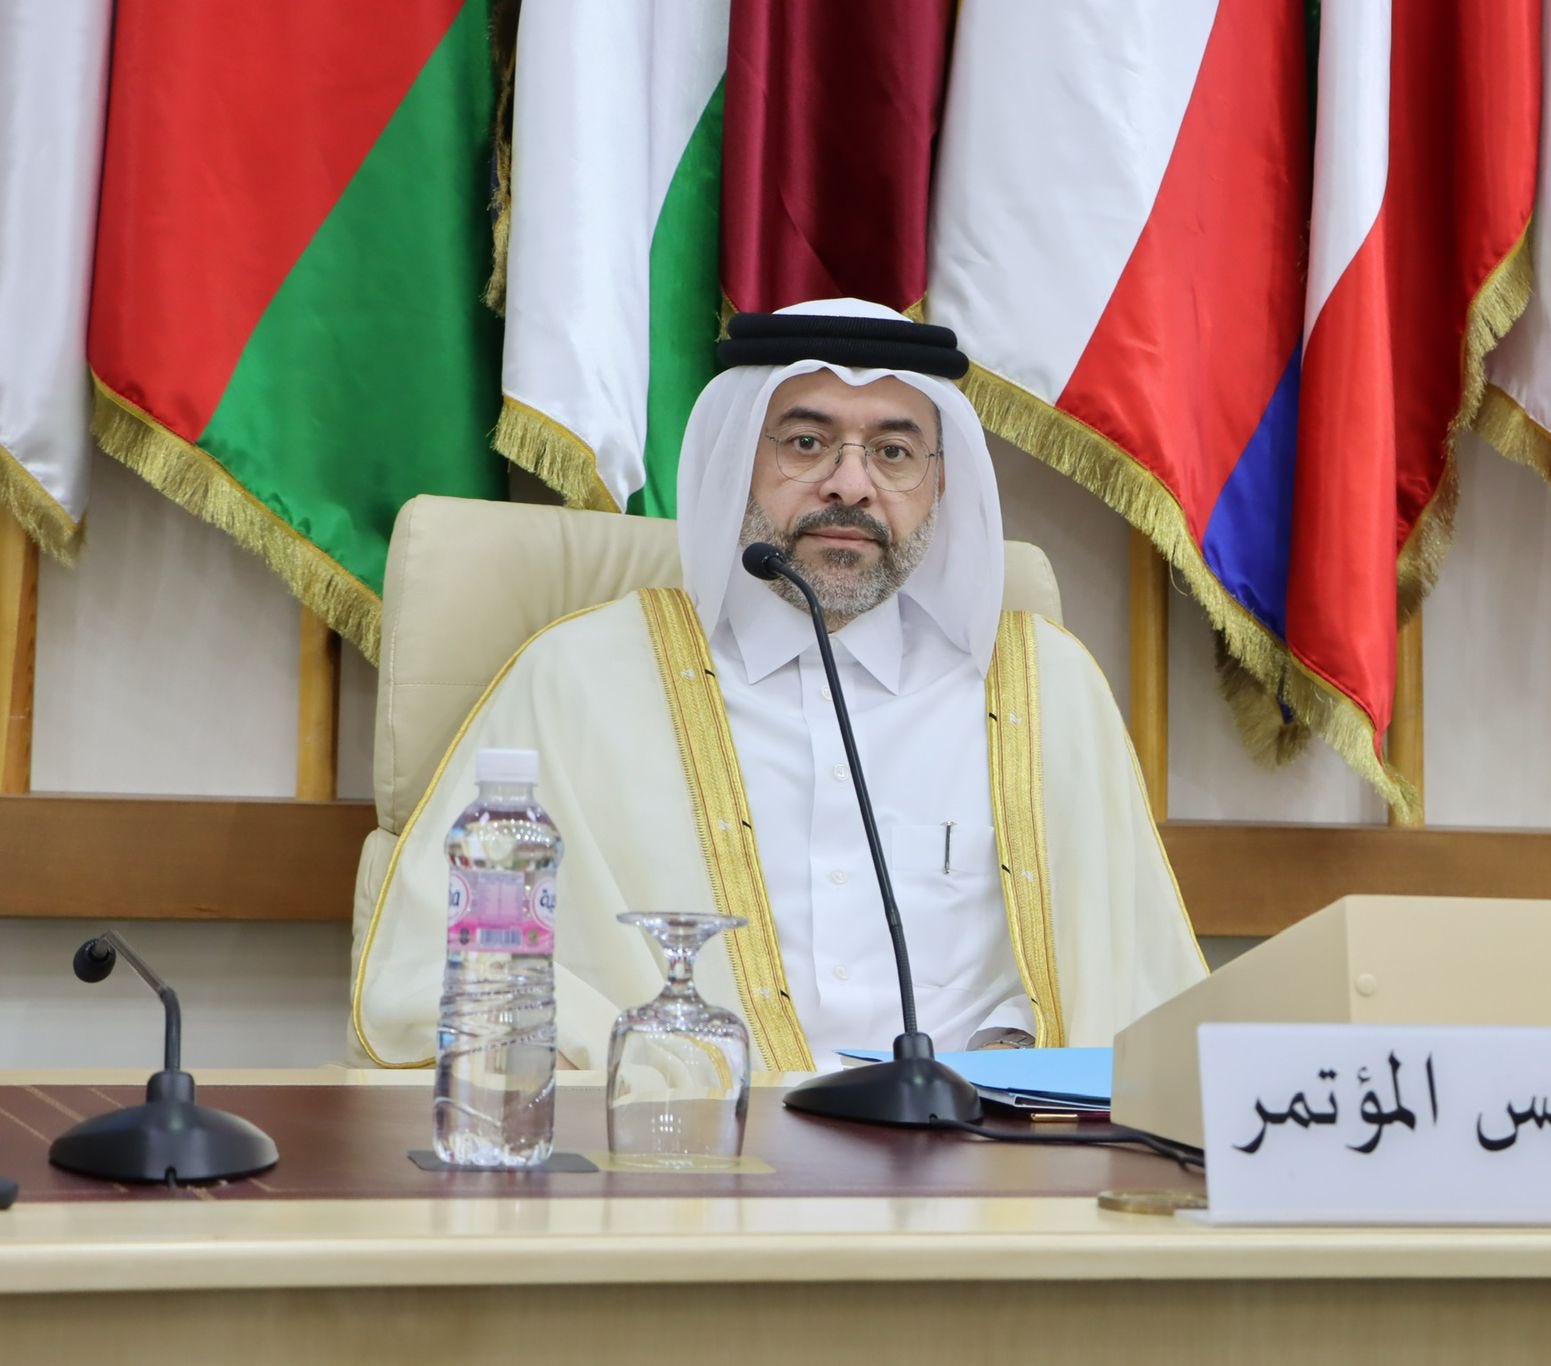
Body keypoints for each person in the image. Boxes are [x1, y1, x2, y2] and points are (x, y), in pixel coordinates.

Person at [352, 299, 1206, 1072]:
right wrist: (663, 1075)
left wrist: (1007, 1058)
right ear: (735, 463)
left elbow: (1136, 984)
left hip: (984, 1159)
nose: (851, 484)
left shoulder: (1045, 692)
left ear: (940, 485)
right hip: (693, 1160)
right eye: (806, 443)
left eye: (894, 452)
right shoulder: (579, 681)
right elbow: (439, 969)